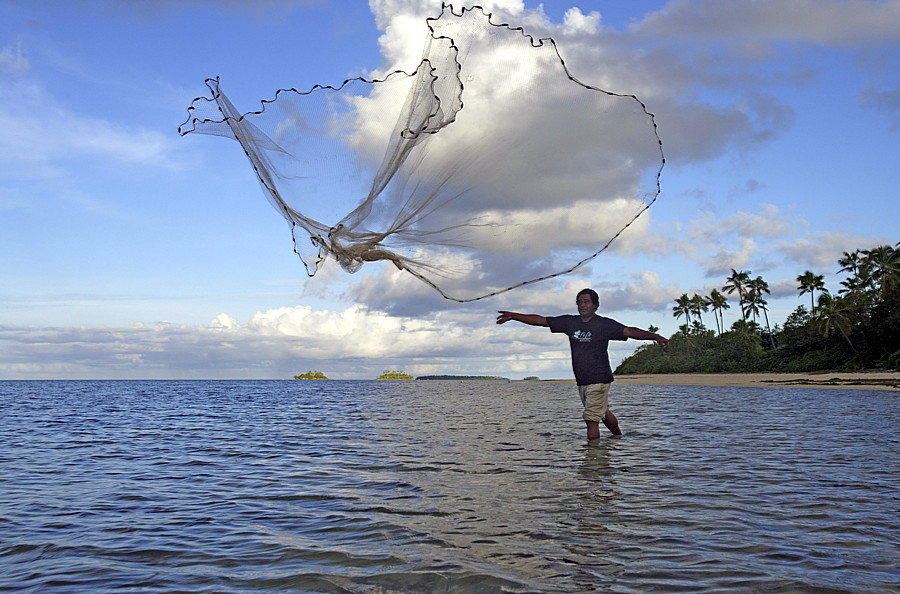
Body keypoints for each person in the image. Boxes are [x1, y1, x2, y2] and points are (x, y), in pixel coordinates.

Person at [496, 288, 668, 439]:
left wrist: (654, 336)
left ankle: (592, 462)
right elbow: (542, 320)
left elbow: (629, 331)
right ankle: (618, 439)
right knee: (603, 412)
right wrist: (514, 316)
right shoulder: (571, 322)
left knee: (591, 419)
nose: (582, 305)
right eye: (579, 302)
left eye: (586, 302)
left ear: (595, 305)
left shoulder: (604, 324)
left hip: (599, 378)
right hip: (583, 380)